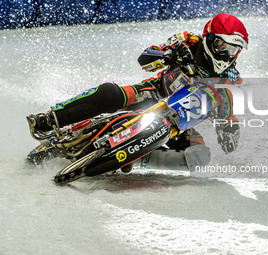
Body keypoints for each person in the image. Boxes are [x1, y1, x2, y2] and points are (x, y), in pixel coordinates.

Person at [27, 13, 248, 171]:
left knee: (200, 156)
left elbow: (228, 120)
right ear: (209, 38)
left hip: (178, 125)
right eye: (222, 46)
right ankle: (51, 118)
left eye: (234, 50)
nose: (227, 54)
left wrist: (230, 132)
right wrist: (169, 55)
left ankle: (137, 159)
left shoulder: (230, 83)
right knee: (109, 93)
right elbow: (145, 58)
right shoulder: (188, 41)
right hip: (151, 93)